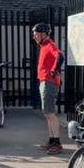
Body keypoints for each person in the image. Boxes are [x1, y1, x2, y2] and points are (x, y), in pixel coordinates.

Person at [32, 23, 65, 155]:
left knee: (50, 113)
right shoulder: (44, 46)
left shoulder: (50, 45)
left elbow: (60, 56)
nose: (34, 36)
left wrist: (53, 70)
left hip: (49, 82)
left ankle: (57, 143)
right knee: (47, 113)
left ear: (43, 34)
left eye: (36, 33)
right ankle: (52, 140)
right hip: (44, 81)